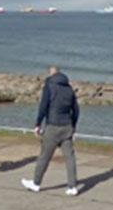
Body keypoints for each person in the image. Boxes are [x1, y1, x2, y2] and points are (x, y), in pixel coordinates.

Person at [24, 65, 81, 195]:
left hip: (53, 126)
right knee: (70, 158)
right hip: (67, 126)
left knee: (44, 156)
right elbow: (76, 110)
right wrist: (73, 126)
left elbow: (43, 107)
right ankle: (72, 186)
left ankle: (36, 183)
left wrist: (37, 124)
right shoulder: (69, 89)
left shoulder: (49, 87)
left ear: (51, 74)